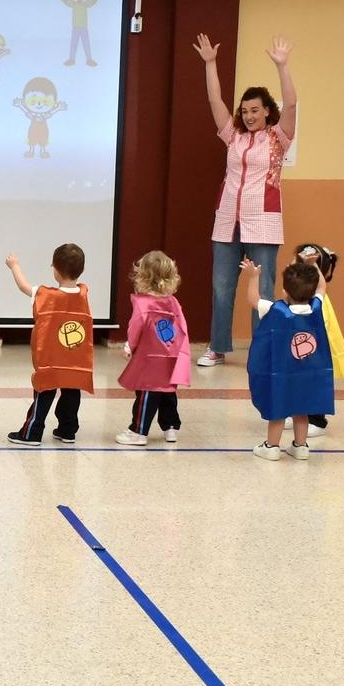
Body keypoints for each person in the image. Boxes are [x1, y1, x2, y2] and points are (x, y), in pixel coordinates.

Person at [193, 32, 298, 367]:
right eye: (245, 110)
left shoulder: (279, 138)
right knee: (222, 288)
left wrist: (282, 66)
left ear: (268, 112)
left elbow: (292, 104)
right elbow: (215, 103)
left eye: (256, 110)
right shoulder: (233, 137)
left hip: (263, 222)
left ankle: (264, 349)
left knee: (263, 290)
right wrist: (210, 64)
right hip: (227, 222)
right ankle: (218, 346)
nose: (249, 116)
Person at [244, 258, 336, 462]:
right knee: (301, 409)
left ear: (285, 291)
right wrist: (314, 265)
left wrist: (254, 276)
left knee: (278, 410)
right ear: (311, 293)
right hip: (306, 374)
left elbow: (253, 298)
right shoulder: (316, 308)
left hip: (281, 376)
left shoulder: (275, 309)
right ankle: (301, 446)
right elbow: (322, 286)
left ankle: (272, 447)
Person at [5, 243, 95, 445]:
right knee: (72, 393)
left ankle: (31, 433)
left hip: (51, 358)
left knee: (44, 393)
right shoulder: (83, 293)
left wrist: (14, 266)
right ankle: (68, 431)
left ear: (55, 269)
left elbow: (23, 286)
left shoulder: (46, 295)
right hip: (75, 358)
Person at [117, 251, 191, 444]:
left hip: (150, 358)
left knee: (147, 392)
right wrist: (181, 351)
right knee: (168, 391)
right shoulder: (173, 302)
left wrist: (129, 347)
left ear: (142, 276)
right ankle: (170, 428)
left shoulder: (143, 304)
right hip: (171, 354)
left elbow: (135, 328)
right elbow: (182, 328)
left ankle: (138, 431)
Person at [293, 243, 344, 437]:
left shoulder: (318, 297)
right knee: (296, 380)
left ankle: (317, 419)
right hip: (300, 349)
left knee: (315, 383)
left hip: (316, 351)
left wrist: (313, 266)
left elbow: (322, 287)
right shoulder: (297, 293)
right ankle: (296, 412)